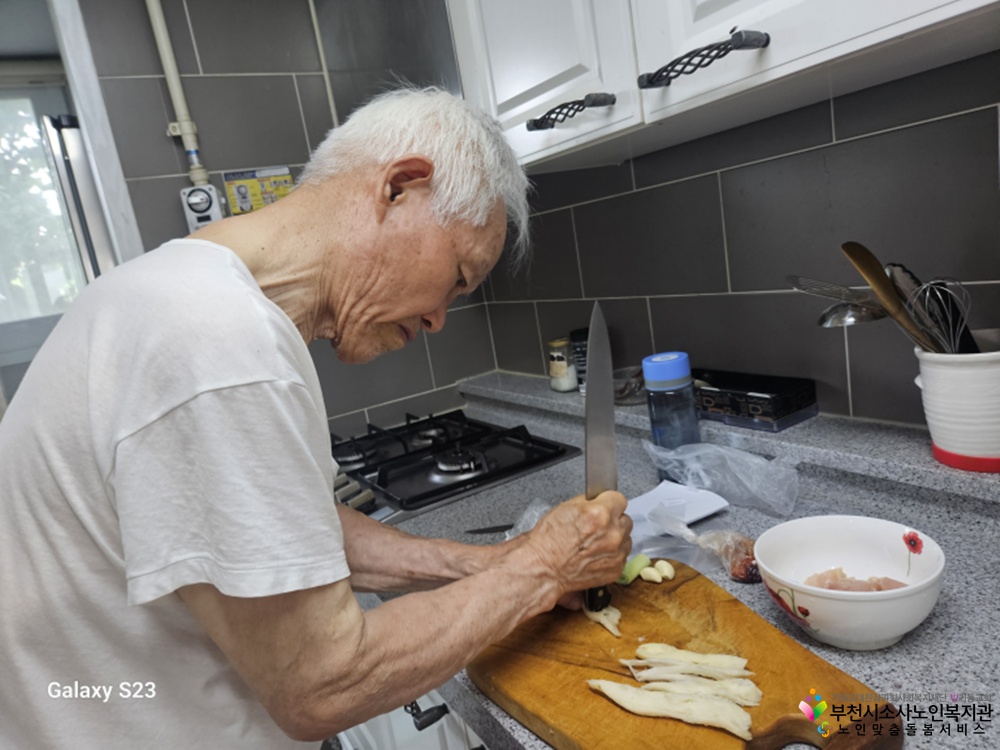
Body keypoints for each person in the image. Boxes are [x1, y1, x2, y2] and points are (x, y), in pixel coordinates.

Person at [0, 86, 632, 748]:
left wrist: (485, 563)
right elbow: (322, 680)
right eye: (457, 277)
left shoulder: (172, 292)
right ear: (400, 187)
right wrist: (543, 569)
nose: (440, 318)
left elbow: (285, 530)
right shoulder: (219, 343)